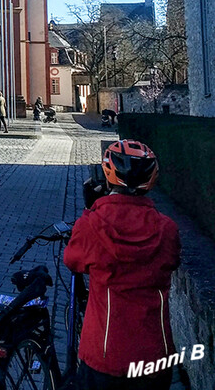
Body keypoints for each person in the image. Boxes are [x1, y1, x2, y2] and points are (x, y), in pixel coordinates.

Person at [64, 139, 181, 390]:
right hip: (154, 355)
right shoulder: (167, 229)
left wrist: (91, 208)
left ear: (108, 178)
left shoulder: (92, 225)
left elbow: (73, 260)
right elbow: (171, 261)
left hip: (106, 355)